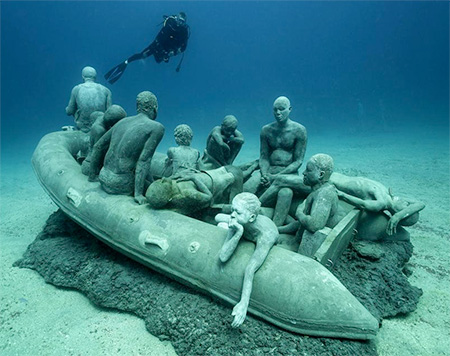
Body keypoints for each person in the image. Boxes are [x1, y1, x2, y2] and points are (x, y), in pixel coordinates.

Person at [215, 192, 279, 328]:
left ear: (251, 217)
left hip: (261, 233)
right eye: (232, 210)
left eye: (237, 212)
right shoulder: (237, 220)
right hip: (246, 227)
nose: (233, 215)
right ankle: (231, 219)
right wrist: (238, 233)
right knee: (218, 218)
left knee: (220, 221)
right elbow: (223, 257)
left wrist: (243, 304)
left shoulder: (267, 234)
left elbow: (250, 269)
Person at [88, 91, 164, 204]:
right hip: (121, 183)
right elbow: (144, 161)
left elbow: (98, 146)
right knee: (161, 192)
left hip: (103, 177)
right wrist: (138, 194)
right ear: (154, 107)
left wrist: (92, 175)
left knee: (149, 179)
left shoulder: (122, 121)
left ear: (138, 107)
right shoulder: (157, 128)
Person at [244, 96, 307, 227]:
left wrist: (276, 177)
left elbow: (298, 161)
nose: (278, 113)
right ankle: (243, 213)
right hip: (269, 170)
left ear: (290, 109)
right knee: (247, 188)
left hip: (288, 173)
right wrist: (264, 174)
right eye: (275, 110)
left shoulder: (299, 130)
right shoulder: (266, 130)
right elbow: (264, 156)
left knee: (286, 193)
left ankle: (275, 227)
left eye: (282, 109)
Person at [329, 172, 425, 239]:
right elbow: (421, 204)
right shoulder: (388, 194)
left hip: (333, 180)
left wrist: (341, 194)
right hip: (337, 175)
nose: (405, 202)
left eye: (406, 206)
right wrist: (400, 215)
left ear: (397, 212)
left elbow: (363, 204)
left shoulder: (380, 203)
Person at [104, 12, 190, 84]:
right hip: (156, 45)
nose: (180, 23)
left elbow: (183, 48)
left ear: (185, 22)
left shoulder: (184, 31)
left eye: (182, 22)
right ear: (176, 18)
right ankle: (125, 63)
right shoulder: (170, 22)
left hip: (167, 50)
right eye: (179, 20)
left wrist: (173, 53)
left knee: (158, 61)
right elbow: (161, 35)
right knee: (142, 55)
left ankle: (162, 57)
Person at [145, 166, 243, 216]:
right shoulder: (188, 193)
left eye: (159, 180)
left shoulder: (172, 183)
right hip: (222, 178)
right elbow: (208, 197)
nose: (163, 178)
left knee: (239, 169)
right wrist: (194, 178)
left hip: (210, 173)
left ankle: (251, 167)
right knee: (239, 172)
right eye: (162, 182)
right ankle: (251, 168)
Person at [296, 154, 344, 257]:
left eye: (308, 170)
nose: (304, 173)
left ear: (321, 175)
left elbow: (314, 225)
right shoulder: (319, 191)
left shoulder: (324, 194)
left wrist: (299, 212)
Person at [81, 105, 127, 175]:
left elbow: (93, 115)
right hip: (91, 165)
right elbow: (97, 153)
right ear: (113, 123)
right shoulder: (100, 130)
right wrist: (92, 175)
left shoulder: (100, 116)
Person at [65, 66, 112, 132]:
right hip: (101, 127)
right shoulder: (106, 90)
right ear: (95, 77)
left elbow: (69, 112)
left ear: (83, 77)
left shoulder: (77, 89)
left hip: (83, 128)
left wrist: (67, 109)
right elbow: (110, 113)